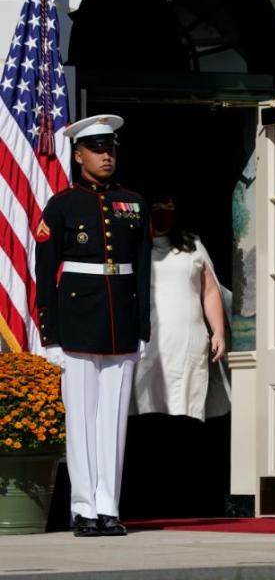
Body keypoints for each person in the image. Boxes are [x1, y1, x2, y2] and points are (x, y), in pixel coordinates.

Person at [35, 114, 151, 537]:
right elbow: (45, 274)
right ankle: (83, 507)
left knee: (113, 422)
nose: (106, 156)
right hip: (76, 323)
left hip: (120, 323)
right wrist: (50, 335)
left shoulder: (133, 203)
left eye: (111, 149)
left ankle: (109, 506)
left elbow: (141, 272)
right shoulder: (63, 205)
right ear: (79, 154)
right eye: (98, 149)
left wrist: (142, 328)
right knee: (81, 420)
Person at [129, 194, 227, 420]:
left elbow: (210, 291)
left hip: (188, 344)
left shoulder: (193, 246)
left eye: (168, 205)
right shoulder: (135, 249)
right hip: (146, 344)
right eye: (157, 205)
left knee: (186, 409)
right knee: (148, 409)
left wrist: (218, 331)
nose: (162, 210)